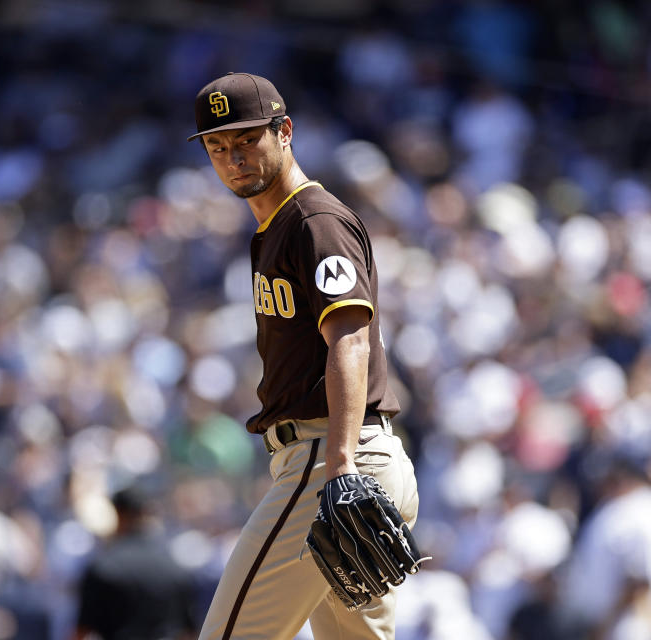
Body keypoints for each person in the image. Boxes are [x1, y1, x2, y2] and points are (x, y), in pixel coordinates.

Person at [188, 72, 420, 640]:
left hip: (333, 460)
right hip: (346, 454)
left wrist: (339, 466)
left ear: (284, 131)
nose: (233, 158)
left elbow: (350, 340)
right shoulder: (275, 226)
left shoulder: (312, 219)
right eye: (218, 147)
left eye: (246, 140)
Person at [74, 486, 197, 640]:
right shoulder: (176, 569)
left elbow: (81, 632)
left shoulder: (103, 567)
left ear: (118, 515)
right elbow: (189, 633)